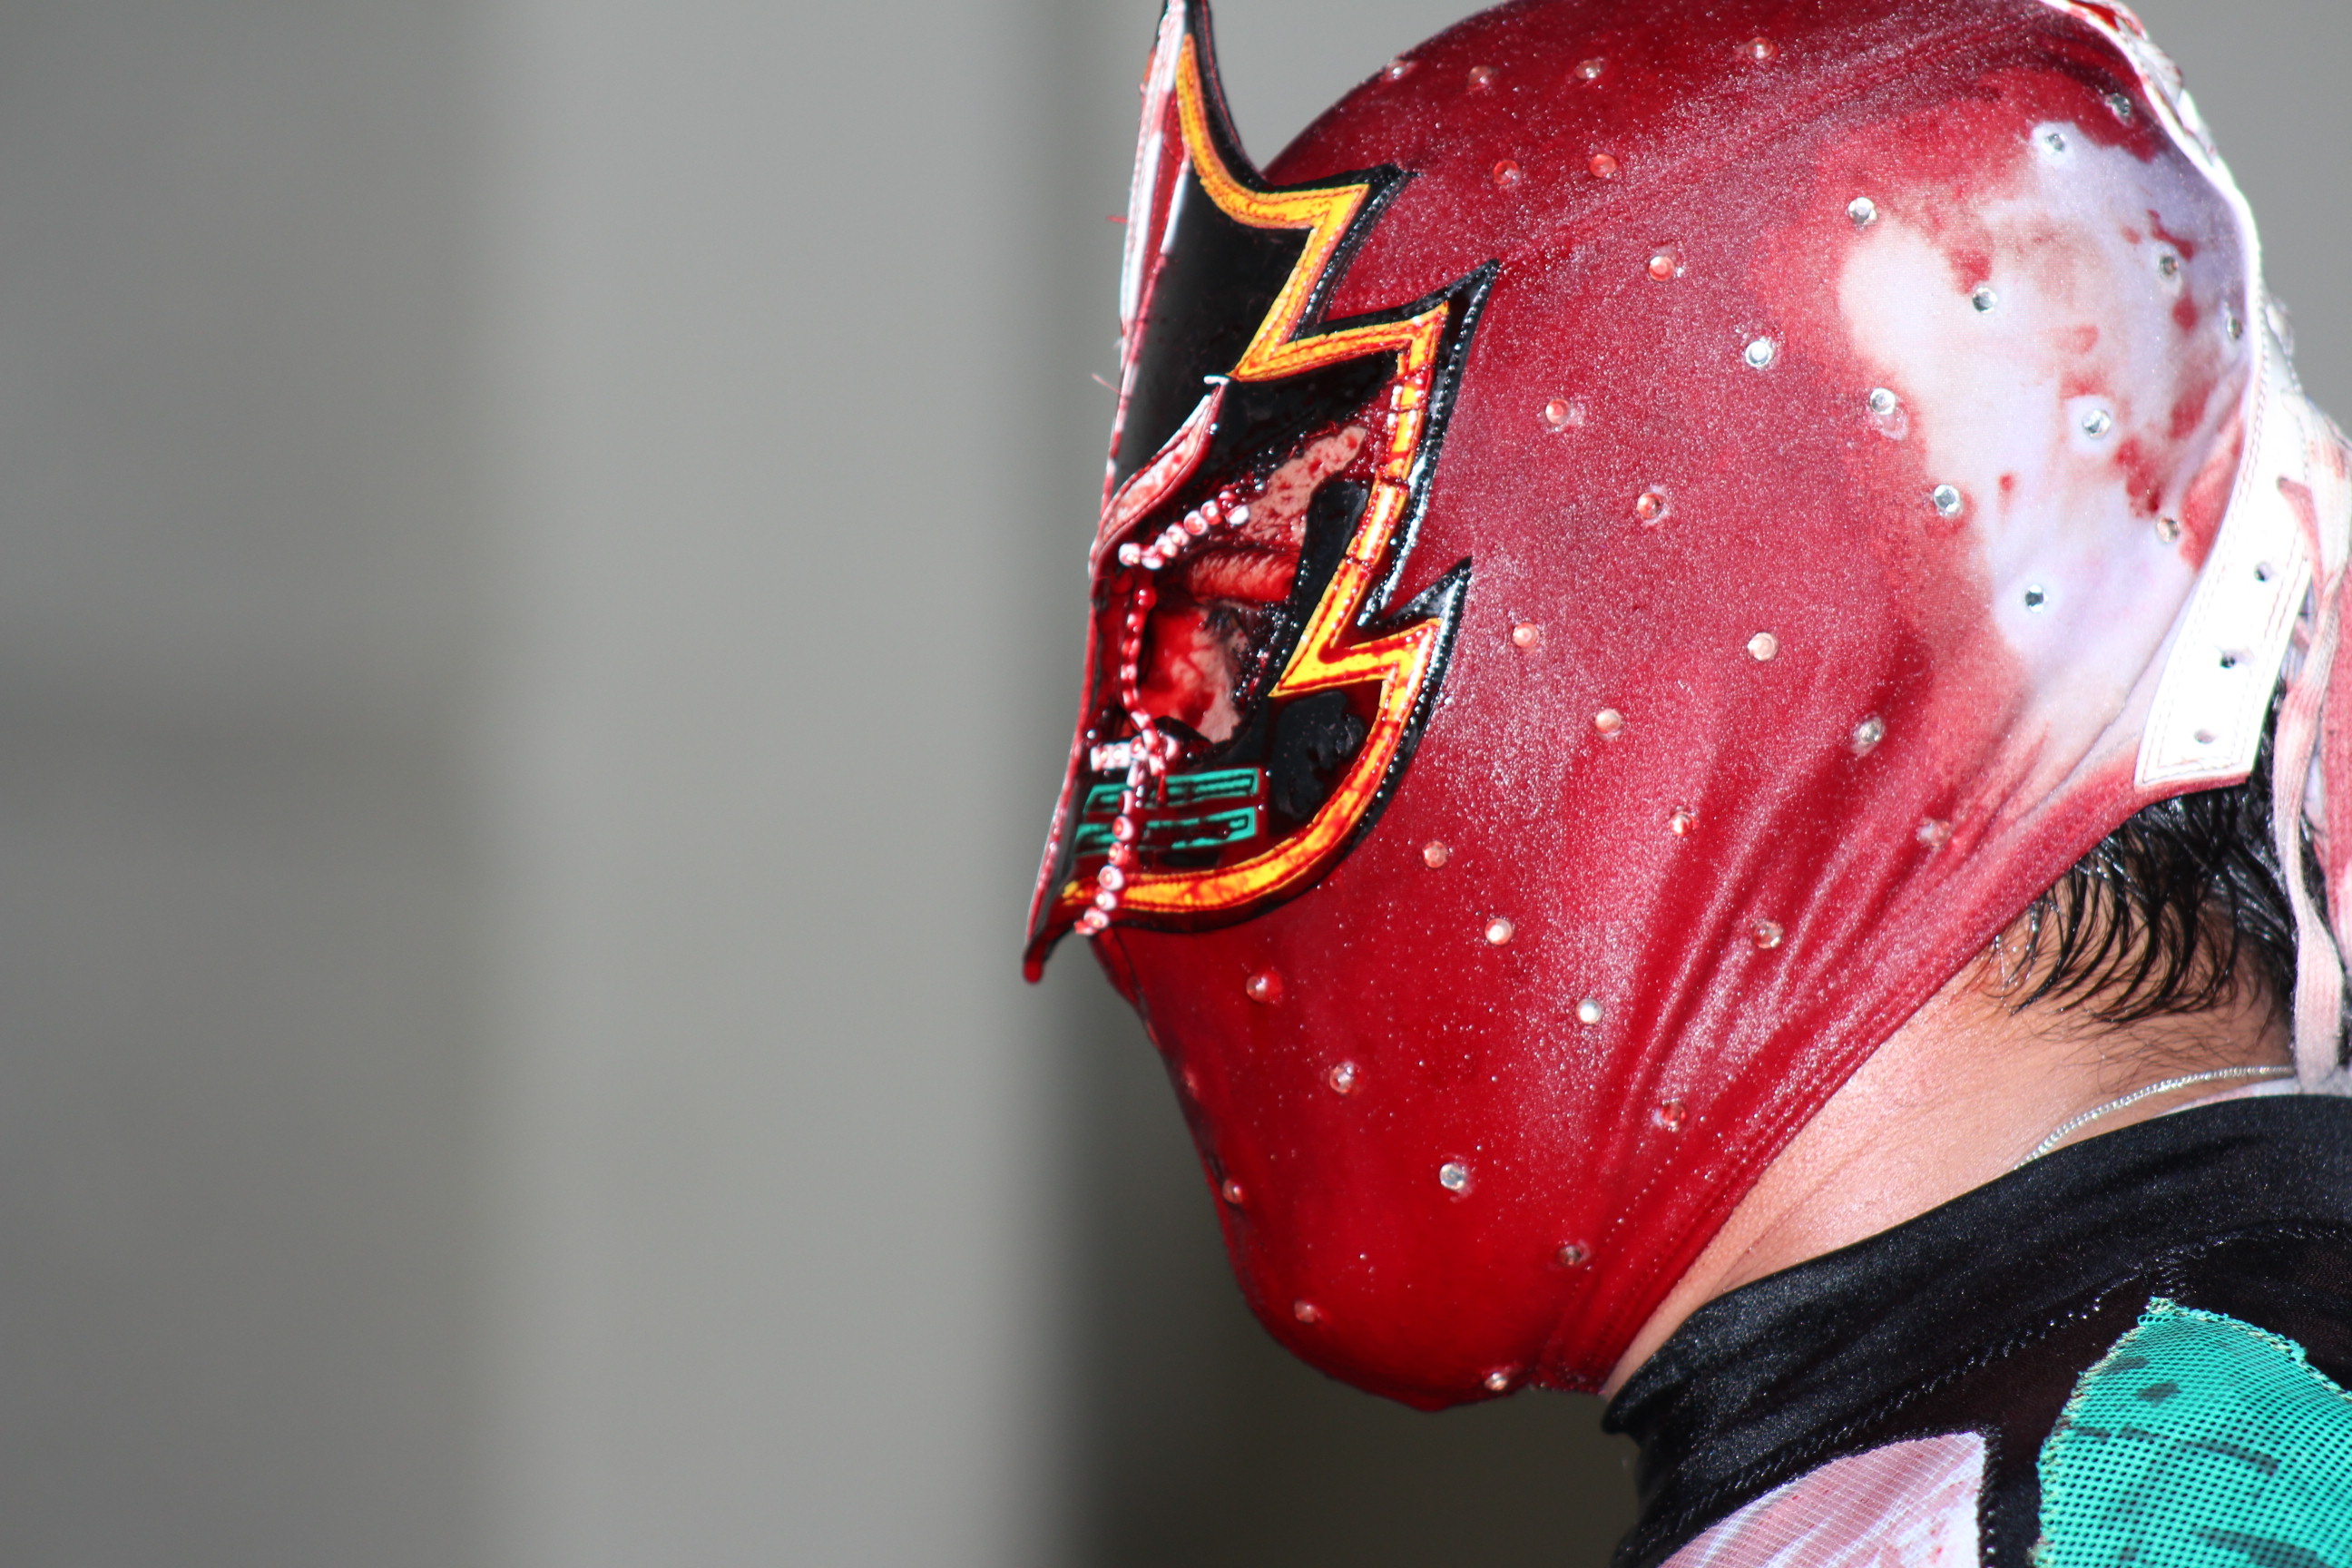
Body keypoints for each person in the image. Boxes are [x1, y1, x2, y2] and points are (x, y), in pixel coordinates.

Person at [1024, 0, 2352, 1559]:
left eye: (1248, 614)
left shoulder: (2096, 1507)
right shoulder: (2149, 1449)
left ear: (1726, 610)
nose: (1111, 885)